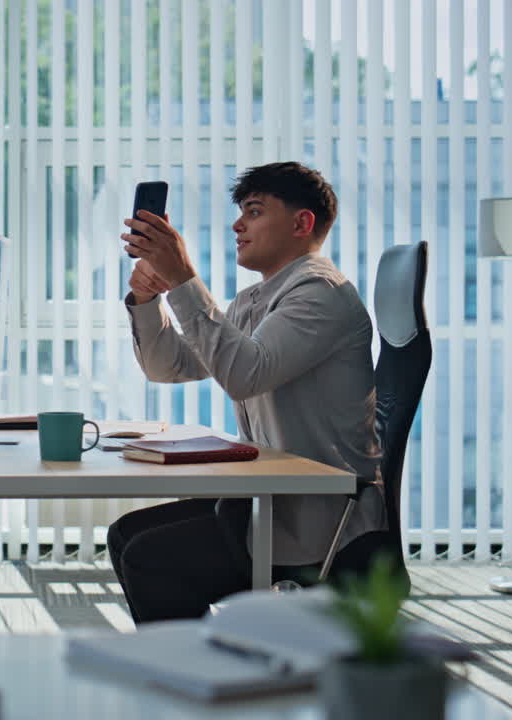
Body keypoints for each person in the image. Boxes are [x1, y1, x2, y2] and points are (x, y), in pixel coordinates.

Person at [107, 162, 384, 624]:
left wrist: (181, 278)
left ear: (302, 223)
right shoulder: (258, 301)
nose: (238, 224)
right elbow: (167, 365)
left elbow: (244, 374)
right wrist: (148, 300)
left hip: (319, 516)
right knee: (124, 536)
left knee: (150, 558)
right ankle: (198, 669)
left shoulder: (320, 294)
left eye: (254, 211)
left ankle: (199, 677)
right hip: (270, 499)